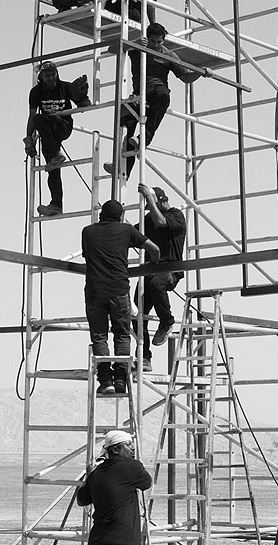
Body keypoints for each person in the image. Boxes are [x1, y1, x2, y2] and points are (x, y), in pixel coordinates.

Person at [81, 200, 160, 395]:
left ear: (101, 215)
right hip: (119, 290)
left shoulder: (88, 232)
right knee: (122, 334)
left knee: (99, 336)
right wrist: (154, 266)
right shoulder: (126, 230)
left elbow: (87, 255)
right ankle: (120, 380)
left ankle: (105, 380)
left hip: (95, 291)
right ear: (120, 217)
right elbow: (154, 249)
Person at [106, 22, 201, 179]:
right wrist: (133, 44)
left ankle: (143, 140)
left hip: (158, 93)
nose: (156, 45)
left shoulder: (168, 55)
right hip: (140, 94)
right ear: (147, 38)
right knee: (127, 124)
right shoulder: (138, 48)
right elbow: (112, 49)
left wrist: (201, 73)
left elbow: (186, 77)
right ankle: (122, 168)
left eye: (159, 41)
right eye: (153, 41)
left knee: (163, 97)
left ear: (163, 40)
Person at [24, 61, 90, 217]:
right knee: (52, 169)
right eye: (47, 75)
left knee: (41, 120)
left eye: (53, 74)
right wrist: (29, 139)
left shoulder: (65, 87)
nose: (51, 78)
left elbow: (84, 105)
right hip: (48, 134)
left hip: (62, 126)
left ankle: (56, 155)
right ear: (41, 77)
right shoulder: (36, 92)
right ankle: (56, 204)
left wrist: (82, 97)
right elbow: (32, 116)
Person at [133, 183, 186, 370]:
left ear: (161, 201)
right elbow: (134, 233)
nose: (149, 210)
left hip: (170, 270)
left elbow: (161, 222)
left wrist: (149, 198)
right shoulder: (149, 219)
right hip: (150, 269)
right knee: (135, 311)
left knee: (157, 284)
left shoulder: (176, 216)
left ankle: (167, 321)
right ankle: (144, 357)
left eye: (151, 205)